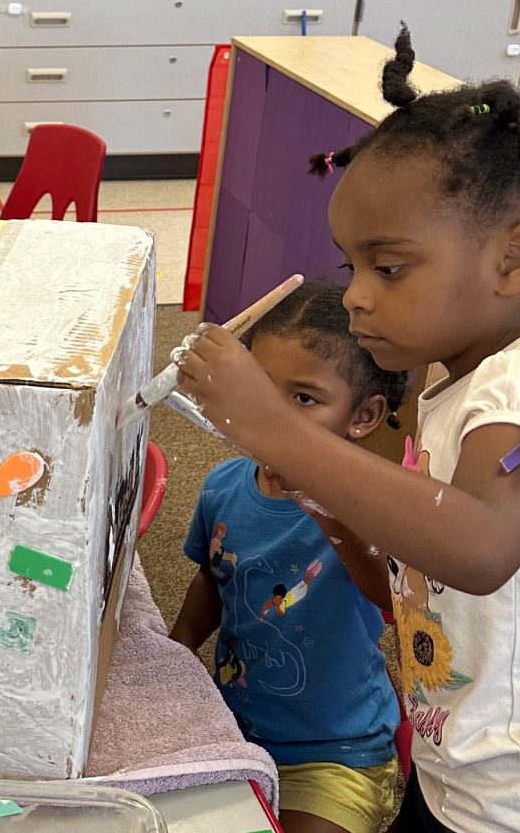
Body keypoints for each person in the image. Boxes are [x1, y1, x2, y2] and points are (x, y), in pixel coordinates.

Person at [175, 24, 520, 832]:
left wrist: (279, 430)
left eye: (387, 269)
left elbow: (480, 547)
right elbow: (411, 582)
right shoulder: (450, 380)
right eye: (351, 265)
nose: (356, 295)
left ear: (515, 259)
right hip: (458, 754)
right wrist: (331, 508)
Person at [171, 283, 404, 833]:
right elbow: (214, 576)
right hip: (233, 730)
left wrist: (320, 500)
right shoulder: (222, 487)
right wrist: (176, 654)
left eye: (303, 399)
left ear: (364, 415)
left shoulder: (380, 503)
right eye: (261, 391)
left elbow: (390, 596)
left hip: (338, 755)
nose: (271, 417)